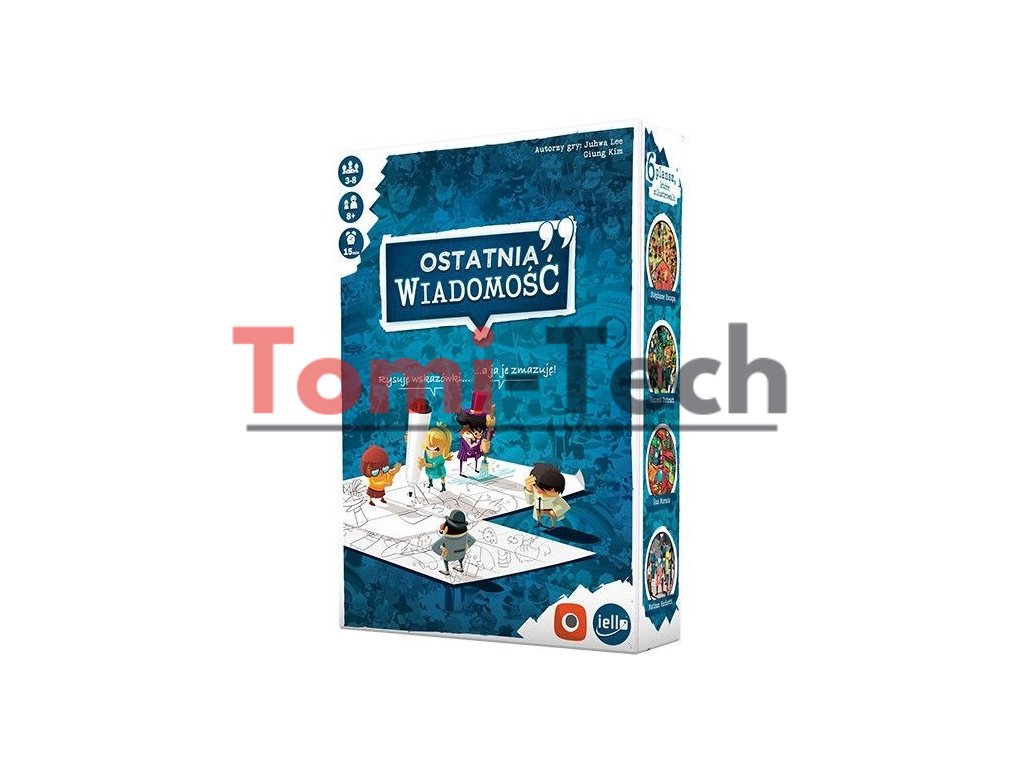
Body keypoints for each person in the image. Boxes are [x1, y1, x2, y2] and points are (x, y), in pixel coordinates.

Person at [524, 462, 570, 528]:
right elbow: (530, 502)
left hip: (550, 512)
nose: (539, 491)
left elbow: (565, 506)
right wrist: (529, 490)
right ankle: (539, 522)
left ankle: (553, 526)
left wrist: (554, 511)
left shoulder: (555, 498)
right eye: (536, 487)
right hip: (539, 511)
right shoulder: (536, 495)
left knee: (552, 520)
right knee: (539, 516)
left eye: (545, 490)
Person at [431, 510, 476, 575]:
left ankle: (447, 571)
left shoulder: (445, 538)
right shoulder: (466, 535)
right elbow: (473, 540)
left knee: (445, 561)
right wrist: (465, 547)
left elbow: (434, 547)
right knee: (460, 559)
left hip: (449, 556)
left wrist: (443, 552)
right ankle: (461, 568)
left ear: (447, 528)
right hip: (461, 555)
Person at [418, 423, 453, 491]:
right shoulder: (426, 452)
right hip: (429, 470)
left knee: (442, 478)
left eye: (434, 446)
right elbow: (425, 458)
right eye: (428, 444)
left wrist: (424, 464)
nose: (430, 448)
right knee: (429, 476)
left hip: (439, 471)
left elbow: (432, 465)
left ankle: (443, 487)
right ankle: (430, 484)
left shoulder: (441, 456)